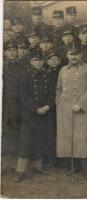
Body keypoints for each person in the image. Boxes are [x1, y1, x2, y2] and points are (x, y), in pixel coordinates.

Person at [56, 42, 87, 181]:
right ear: (67, 55)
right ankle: (74, 166)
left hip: (82, 108)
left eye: (76, 54)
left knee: (83, 138)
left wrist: (81, 104)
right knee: (69, 137)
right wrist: (59, 102)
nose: (73, 56)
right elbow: (59, 88)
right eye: (71, 54)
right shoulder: (63, 70)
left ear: (81, 55)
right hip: (65, 109)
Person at [14, 50, 52, 182]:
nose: (39, 62)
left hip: (44, 112)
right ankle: (21, 170)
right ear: (31, 61)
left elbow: (52, 94)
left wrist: (48, 106)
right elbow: (23, 96)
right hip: (29, 113)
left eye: (41, 60)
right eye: (36, 60)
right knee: (25, 141)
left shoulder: (47, 75)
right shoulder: (24, 75)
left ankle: (37, 166)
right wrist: (35, 108)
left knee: (39, 139)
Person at [2, 40, 22, 176]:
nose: (12, 52)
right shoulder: (2, 66)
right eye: (9, 50)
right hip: (3, 105)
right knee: (4, 135)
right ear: (5, 53)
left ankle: (14, 164)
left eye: (14, 50)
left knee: (15, 134)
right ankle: (3, 165)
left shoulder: (22, 67)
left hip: (17, 106)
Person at [43, 51, 62, 169]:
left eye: (56, 59)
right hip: (50, 107)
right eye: (51, 59)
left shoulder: (64, 72)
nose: (54, 61)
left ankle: (62, 157)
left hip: (62, 105)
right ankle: (51, 159)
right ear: (47, 62)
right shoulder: (45, 74)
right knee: (50, 132)